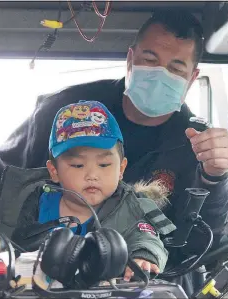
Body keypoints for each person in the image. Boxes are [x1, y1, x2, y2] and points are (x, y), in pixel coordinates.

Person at [0, 10, 228, 295]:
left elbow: (204, 239)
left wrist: (216, 177)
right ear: (130, 60)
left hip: (141, 284)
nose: (160, 74)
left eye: (176, 69)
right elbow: (1, 172)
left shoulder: (198, 145)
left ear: (192, 78)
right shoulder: (66, 110)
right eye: (150, 61)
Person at [11, 100, 176, 282]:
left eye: (104, 164)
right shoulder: (34, 202)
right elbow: (14, 243)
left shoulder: (131, 208)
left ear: (121, 169)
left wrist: (144, 257)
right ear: (54, 171)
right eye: (78, 165)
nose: (92, 175)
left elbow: (146, 238)